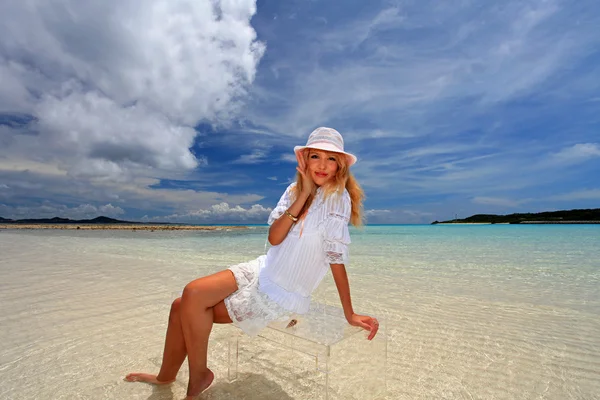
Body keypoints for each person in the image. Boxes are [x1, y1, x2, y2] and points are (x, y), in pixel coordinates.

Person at [125, 127, 379, 399]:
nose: (322, 165)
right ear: (305, 160)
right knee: (189, 295)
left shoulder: (337, 199)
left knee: (186, 308)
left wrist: (349, 313)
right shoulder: (294, 190)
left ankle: (196, 378)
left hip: (281, 294)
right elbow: (275, 238)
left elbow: (336, 259)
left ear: (340, 166)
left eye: (331, 159)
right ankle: (168, 377)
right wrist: (304, 194)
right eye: (316, 156)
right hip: (263, 268)